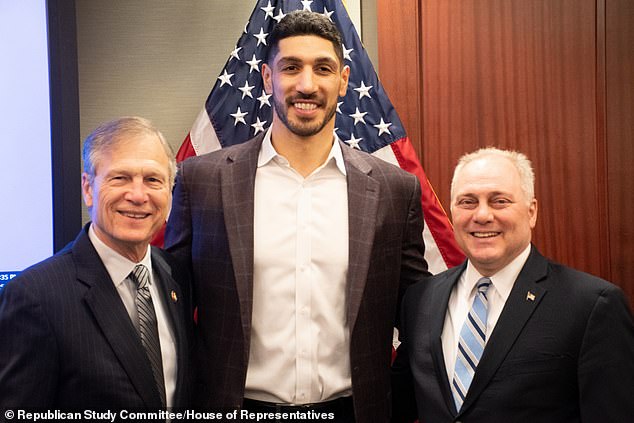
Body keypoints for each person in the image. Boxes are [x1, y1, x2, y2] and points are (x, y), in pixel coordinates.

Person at [165, 10, 428, 423]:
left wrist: (392, 396)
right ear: (268, 78)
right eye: (291, 68)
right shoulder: (202, 182)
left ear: (342, 81)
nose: (307, 85)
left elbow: (420, 316)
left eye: (322, 69)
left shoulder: (394, 190)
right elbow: (172, 312)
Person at [391, 147, 634, 422]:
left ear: (531, 212)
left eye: (499, 201)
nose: (482, 215)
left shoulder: (592, 306)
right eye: (467, 202)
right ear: (452, 211)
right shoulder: (421, 299)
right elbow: (396, 405)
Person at [0, 117, 192, 412]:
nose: (138, 195)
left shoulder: (174, 274)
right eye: (120, 178)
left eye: (153, 180)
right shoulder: (33, 297)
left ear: (169, 191)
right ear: (88, 187)